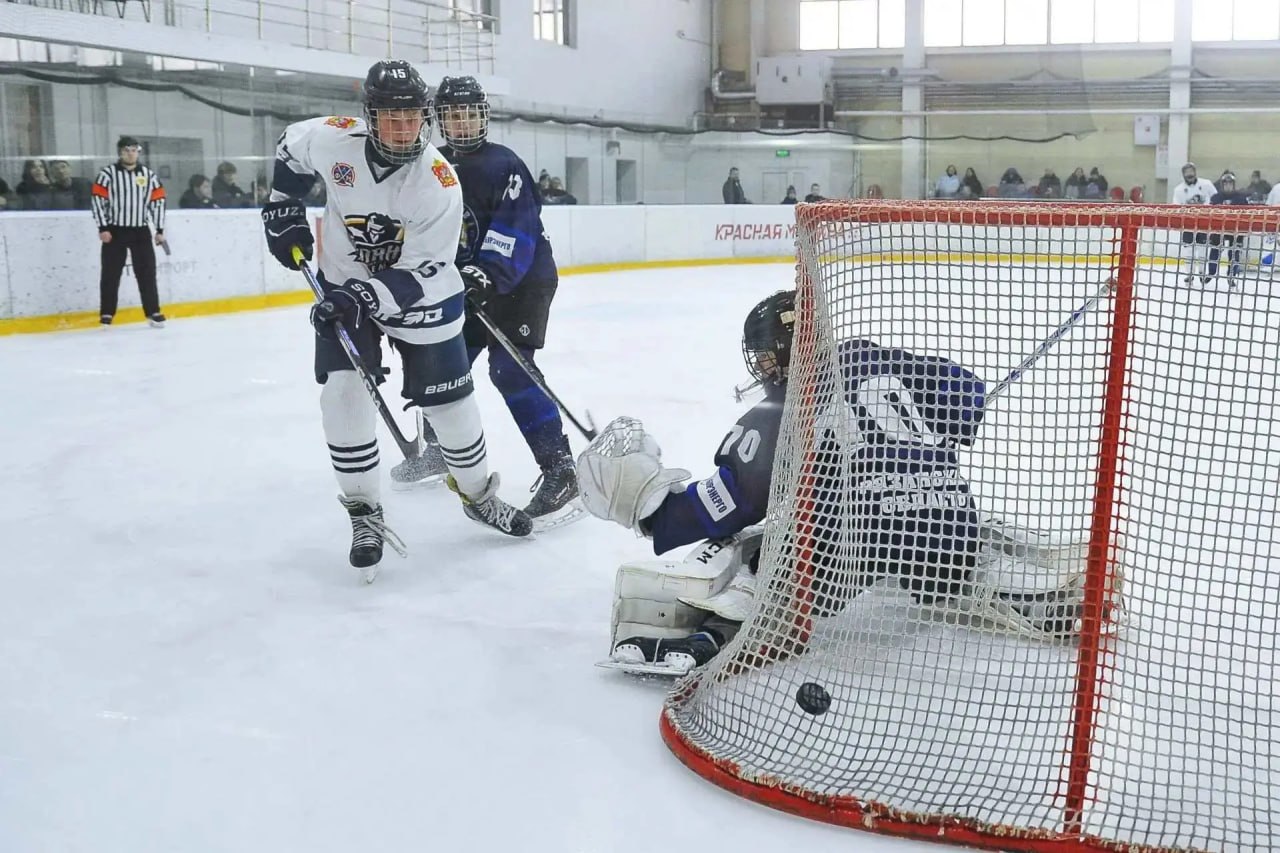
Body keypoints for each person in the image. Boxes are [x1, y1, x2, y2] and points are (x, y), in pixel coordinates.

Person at [580, 292, 1092, 674]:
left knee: (764, 550)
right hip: (949, 526)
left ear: (785, 350)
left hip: (860, 544)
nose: (760, 368)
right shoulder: (884, 359)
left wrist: (648, 511)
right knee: (947, 548)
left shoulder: (781, 408)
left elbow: (728, 505)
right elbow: (967, 394)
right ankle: (1026, 595)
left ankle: (718, 631)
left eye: (763, 356)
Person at [260, 60, 533, 581]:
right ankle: (364, 513)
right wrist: (282, 205)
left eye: (412, 119)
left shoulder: (437, 182)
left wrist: (365, 294)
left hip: (420, 297)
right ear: (369, 117)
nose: (403, 129)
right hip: (345, 284)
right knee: (342, 393)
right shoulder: (332, 140)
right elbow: (289, 147)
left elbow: (430, 269)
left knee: (451, 407)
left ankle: (477, 495)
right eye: (390, 118)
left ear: (425, 120)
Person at [401, 74, 582, 529]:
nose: (462, 123)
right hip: (468, 285)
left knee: (509, 367)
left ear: (483, 116)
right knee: (440, 363)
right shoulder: (429, 167)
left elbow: (516, 231)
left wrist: (486, 274)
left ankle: (560, 470)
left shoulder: (505, 164)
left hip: (523, 282)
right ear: (438, 120)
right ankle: (444, 449)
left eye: (469, 113)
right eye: (453, 115)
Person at [91, 136, 167, 328]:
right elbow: (98, 201)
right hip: (115, 230)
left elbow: (157, 202)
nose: (130, 153)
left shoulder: (148, 175)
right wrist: (103, 227)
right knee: (110, 273)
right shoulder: (107, 174)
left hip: (140, 231)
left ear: (138, 152)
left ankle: (153, 311)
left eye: (134, 149)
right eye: (126, 150)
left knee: (147, 272)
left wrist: (158, 229)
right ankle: (107, 313)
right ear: (120, 152)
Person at [1172, 162, 1220, 285]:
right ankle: (1189, 274)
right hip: (1188, 224)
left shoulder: (1206, 184)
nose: (1189, 174)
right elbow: (1176, 207)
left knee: (1203, 249)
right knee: (1188, 251)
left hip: (1204, 223)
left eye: (1191, 171)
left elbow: (1217, 199)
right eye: (1187, 172)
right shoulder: (1178, 190)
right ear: (1183, 174)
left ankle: (1202, 274)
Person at [1205, 171, 1253, 288]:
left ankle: (1231, 275)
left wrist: (1244, 228)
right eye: (1225, 184)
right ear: (1222, 185)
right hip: (1219, 228)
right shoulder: (1216, 198)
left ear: (1233, 184)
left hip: (1236, 229)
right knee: (1215, 250)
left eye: (1230, 184)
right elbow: (1210, 213)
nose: (1228, 186)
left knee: (1235, 253)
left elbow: (1248, 214)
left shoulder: (1241, 198)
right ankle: (1211, 272)